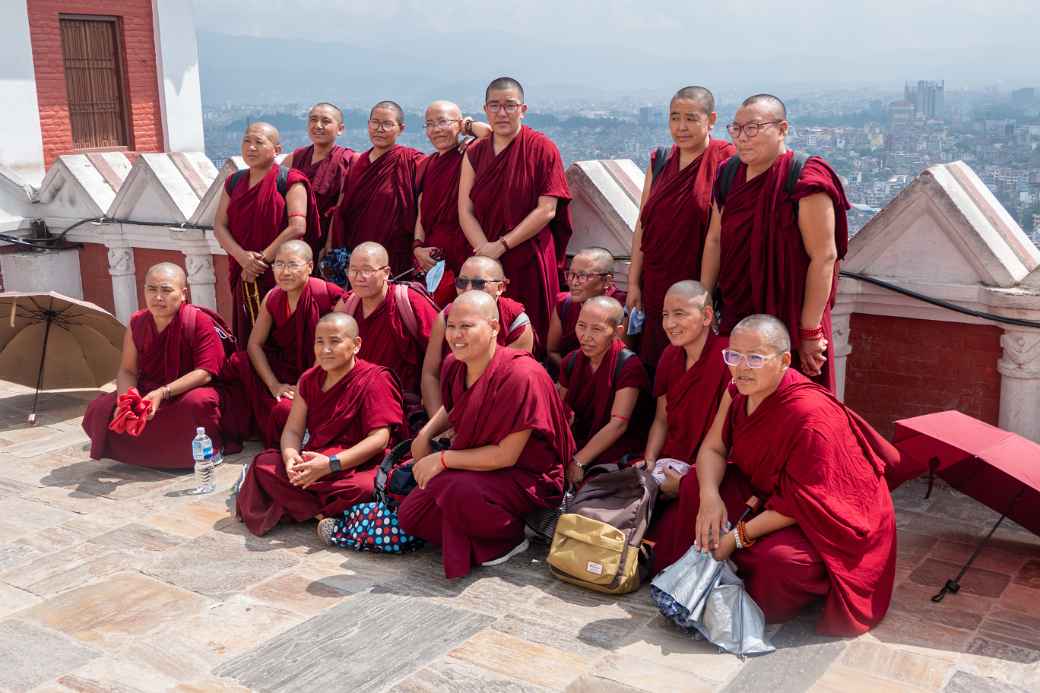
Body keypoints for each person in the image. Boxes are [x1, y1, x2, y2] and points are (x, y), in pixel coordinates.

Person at [654, 314, 897, 636]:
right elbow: (713, 448)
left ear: (784, 361)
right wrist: (710, 498)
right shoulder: (737, 389)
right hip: (773, 493)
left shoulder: (810, 415)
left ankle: (742, 585)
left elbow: (801, 501)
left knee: (779, 562)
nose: (741, 367)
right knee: (695, 486)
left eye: (755, 358)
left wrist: (734, 538)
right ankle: (703, 575)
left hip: (829, 515)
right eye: (734, 356)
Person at [399, 291, 575, 578]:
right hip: (475, 467)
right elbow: (457, 402)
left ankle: (515, 534)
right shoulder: (455, 364)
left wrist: (443, 459)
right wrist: (426, 433)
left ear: (494, 328)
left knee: (452, 488)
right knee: (411, 516)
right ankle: (473, 532)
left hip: (525, 476)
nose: (456, 335)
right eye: (451, 327)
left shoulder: (522, 374)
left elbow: (506, 455)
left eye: (466, 327)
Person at [701, 94, 850, 391]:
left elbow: (824, 257)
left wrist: (809, 331)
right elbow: (715, 239)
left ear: (782, 129)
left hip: (790, 314)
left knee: (789, 398)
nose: (743, 138)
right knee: (733, 394)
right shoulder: (729, 174)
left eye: (753, 128)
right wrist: (704, 299)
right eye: (736, 129)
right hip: (738, 309)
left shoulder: (804, 178)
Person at [236, 312, 405, 536]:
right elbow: (294, 430)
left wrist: (330, 464)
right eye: (319, 342)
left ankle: (301, 507)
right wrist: (290, 458)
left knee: (364, 488)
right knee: (264, 463)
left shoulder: (374, 379)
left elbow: (379, 439)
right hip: (317, 459)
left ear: (356, 345)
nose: (325, 350)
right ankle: (326, 515)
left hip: (357, 463)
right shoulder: (309, 378)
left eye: (334, 341)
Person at [82, 263, 240, 469]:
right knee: (99, 409)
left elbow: (205, 373)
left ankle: (209, 450)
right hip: (149, 389)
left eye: (166, 290)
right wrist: (126, 400)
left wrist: (162, 393)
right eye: (151, 289)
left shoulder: (197, 321)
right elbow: (127, 370)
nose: (158, 297)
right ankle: (142, 452)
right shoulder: (137, 322)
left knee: (197, 404)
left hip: (187, 390)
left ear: (183, 294)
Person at [459, 76, 572, 350]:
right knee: (483, 332)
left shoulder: (542, 148)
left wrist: (503, 245)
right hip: (484, 256)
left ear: (523, 109)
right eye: (495, 106)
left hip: (528, 254)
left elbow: (547, 209)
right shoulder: (475, 152)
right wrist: (485, 251)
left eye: (510, 106)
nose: (502, 113)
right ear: (485, 110)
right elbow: (465, 209)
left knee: (533, 332)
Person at [626, 87, 734, 367]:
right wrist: (633, 282)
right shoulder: (660, 160)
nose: (681, 127)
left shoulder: (726, 161)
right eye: (675, 118)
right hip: (656, 280)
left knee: (691, 358)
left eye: (691, 118)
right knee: (654, 357)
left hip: (698, 278)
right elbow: (643, 224)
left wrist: (704, 297)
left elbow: (716, 238)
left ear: (711, 119)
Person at [222, 240, 344, 447]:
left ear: (310, 267)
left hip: (322, 375)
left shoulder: (329, 296)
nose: (284, 272)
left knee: (285, 412)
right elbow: (254, 344)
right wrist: (274, 385)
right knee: (239, 362)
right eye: (279, 264)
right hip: (286, 372)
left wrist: (305, 387)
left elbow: (333, 351)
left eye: (292, 265)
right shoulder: (273, 296)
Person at [214, 122, 321, 344]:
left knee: (282, 336)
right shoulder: (233, 182)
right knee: (248, 334)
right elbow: (219, 226)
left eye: (259, 142)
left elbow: (297, 227)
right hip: (244, 271)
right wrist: (242, 258)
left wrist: (260, 260)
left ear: (277, 150)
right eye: (247, 141)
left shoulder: (290, 181)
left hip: (280, 272)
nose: (251, 148)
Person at [643, 281, 731, 495]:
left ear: (707, 317)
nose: (669, 324)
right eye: (665, 315)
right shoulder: (668, 356)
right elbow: (661, 420)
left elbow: (732, 435)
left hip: (713, 470)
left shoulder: (730, 358)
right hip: (670, 461)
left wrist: (691, 480)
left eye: (679, 314)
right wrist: (650, 461)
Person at [333, 242, 438, 418]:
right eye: (353, 270)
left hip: (401, 405)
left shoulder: (410, 302)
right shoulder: (346, 305)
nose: (359, 277)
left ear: (386, 272)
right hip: (353, 401)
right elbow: (330, 357)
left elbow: (442, 355)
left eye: (367, 270)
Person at [420, 255, 534, 416]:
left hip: (496, 413)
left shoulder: (517, 323)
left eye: (479, 284)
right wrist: (438, 427)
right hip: (447, 412)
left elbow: (511, 386)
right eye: (462, 282)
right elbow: (430, 375)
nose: (468, 290)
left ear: (500, 287)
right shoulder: (446, 317)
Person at [557, 296, 650, 482]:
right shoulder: (571, 361)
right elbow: (559, 410)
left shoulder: (628, 366)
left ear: (617, 332)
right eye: (581, 326)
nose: (586, 336)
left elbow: (619, 424)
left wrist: (579, 461)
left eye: (597, 329)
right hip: (577, 442)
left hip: (615, 447)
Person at [327, 100, 425, 275]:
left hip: (395, 254)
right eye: (375, 122)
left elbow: (423, 207)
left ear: (401, 129)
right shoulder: (357, 163)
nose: (379, 129)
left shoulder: (412, 161)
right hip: (356, 252)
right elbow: (341, 210)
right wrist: (330, 246)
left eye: (387, 124)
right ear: (368, 125)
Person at [414, 100, 490, 304]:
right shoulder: (426, 165)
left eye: (443, 122)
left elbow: (490, 134)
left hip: (465, 249)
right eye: (429, 124)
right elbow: (422, 210)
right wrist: (417, 247)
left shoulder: (470, 153)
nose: (436, 129)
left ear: (459, 123)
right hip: (432, 257)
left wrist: (468, 126)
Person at [284, 102, 356, 254]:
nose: (318, 125)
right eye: (313, 119)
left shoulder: (349, 160)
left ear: (340, 129)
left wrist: (330, 243)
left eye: (326, 121)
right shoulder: (294, 158)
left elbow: (342, 208)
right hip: (293, 239)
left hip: (330, 241)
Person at [547, 247, 627, 371]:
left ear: (607, 281)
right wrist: (571, 375)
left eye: (582, 276)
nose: (574, 282)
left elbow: (620, 360)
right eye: (571, 274)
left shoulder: (620, 308)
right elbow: (552, 351)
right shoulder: (564, 303)